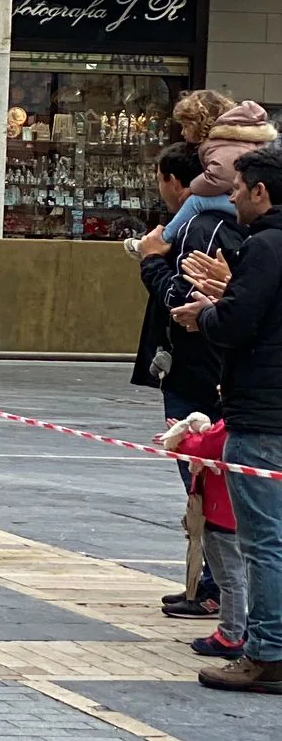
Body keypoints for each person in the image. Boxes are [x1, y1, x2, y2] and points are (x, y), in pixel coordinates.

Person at [174, 143, 282, 693]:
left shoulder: (266, 244)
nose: (231, 195)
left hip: (263, 415)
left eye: (237, 188)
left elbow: (240, 323)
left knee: (262, 541)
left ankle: (266, 652)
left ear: (261, 191)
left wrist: (207, 313)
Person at [136, 142, 245, 616]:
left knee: (206, 483)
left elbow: (182, 300)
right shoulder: (229, 226)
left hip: (199, 373)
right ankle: (208, 582)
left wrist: (151, 261)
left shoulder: (204, 228)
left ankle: (217, 588)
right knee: (209, 485)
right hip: (209, 371)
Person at [134, 92, 274, 257]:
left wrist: (192, 189)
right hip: (257, 200)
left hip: (248, 202)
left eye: (185, 126)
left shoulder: (219, 142)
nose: (182, 133)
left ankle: (162, 240)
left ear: (198, 124)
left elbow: (221, 175)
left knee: (196, 202)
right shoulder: (236, 138)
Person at [162, 414, 246, 659]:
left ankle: (231, 634)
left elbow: (205, 447)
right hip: (234, 512)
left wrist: (184, 437)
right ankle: (244, 628)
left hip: (222, 514)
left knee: (229, 579)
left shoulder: (231, 422)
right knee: (239, 577)